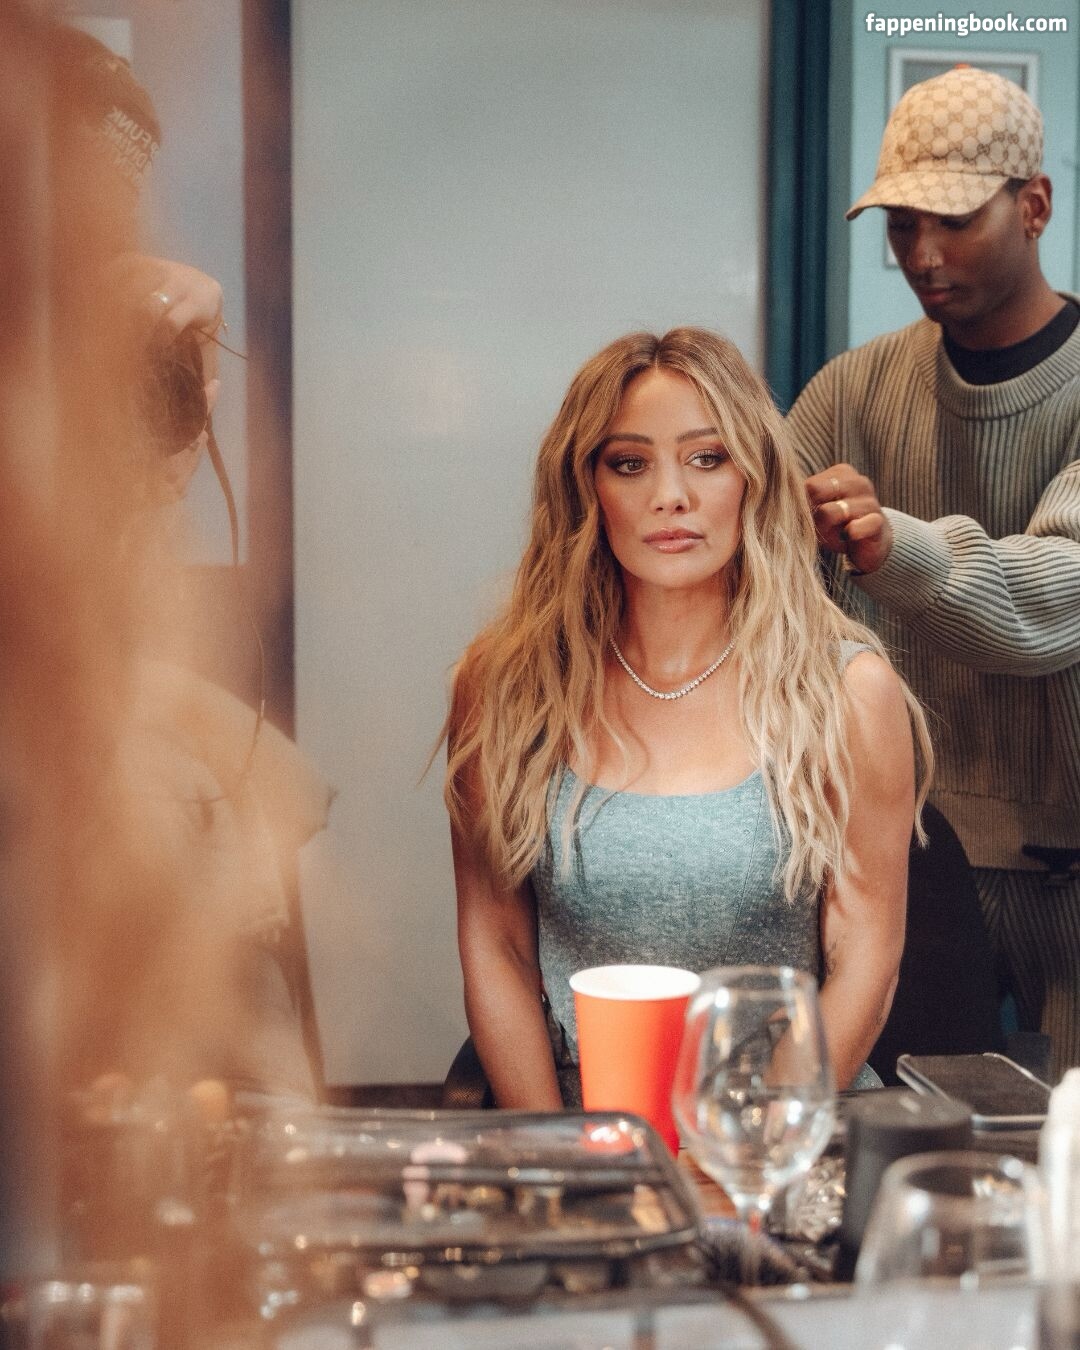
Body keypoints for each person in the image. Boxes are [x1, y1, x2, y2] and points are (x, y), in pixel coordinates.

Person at [445, 328, 931, 1107]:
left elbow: (865, 963)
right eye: (629, 463)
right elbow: (496, 944)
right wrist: (558, 1148)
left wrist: (747, 1150)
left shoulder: (845, 692)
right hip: (580, 1131)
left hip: (782, 1127)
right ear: (586, 488)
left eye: (707, 458)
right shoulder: (505, 687)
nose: (671, 495)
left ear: (754, 478)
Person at [788, 66, 1080, 1077]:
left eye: (953, 221)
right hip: (900, 850)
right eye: (902, 224)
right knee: (905, 1136)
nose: (921, 254)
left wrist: (890, 547)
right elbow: (759, 574)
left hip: (1069, 861)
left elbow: (1058, 594)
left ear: (1034, 205)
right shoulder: (852, 390)